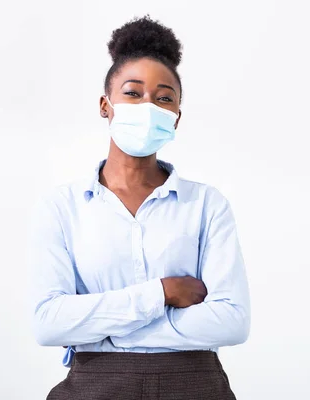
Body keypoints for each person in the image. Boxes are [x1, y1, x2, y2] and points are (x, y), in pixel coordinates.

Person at [29, 15, 251, 400]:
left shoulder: (206, 204)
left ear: (176, 117)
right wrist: (161, 293)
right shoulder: (62, 207)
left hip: (195, 385)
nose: (149, 105)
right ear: (105, 105)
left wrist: (103, 327)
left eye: (164, 97)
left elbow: (232, 321)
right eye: (133, 93)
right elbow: (49, 324)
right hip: (95, 386)